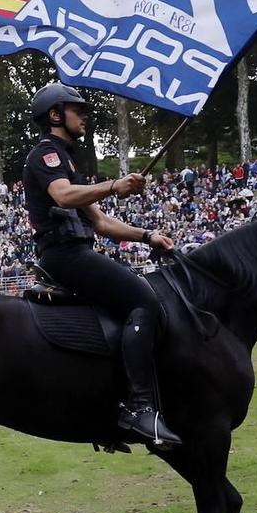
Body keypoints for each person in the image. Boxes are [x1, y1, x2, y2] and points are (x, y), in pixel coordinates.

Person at [22, 83, 181, 449]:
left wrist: (147, 235)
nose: (85, 117)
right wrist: (114, 185)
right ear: (56, 115)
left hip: (77, 251)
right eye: (78, 110)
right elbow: (63, 196)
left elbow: (102, 223)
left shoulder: (68, 161)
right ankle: (140, 408)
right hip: (65, 255)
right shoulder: (46, 154)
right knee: (144, 303)